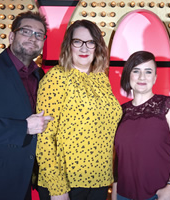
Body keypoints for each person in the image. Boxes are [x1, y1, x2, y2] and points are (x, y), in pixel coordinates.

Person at [36, 19, 122, 200]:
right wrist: (57, 188)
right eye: (78, 42)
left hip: (99, 180)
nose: (84, 48)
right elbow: (44, 138)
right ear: (69, 45)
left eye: (90, 42)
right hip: (67, 184)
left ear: (97, 47)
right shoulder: (57, 77)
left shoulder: (101, 79)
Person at [0, 11, 53, 200]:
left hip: (24, 180)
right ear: (11, 36)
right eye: (26, 31)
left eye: (39, 34)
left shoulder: (41, 76)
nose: (33, 38)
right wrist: (25, 127)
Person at [112, 51, 170, 200]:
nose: (142, 77)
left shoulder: (168, 106)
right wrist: (115, 194)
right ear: (129, 75)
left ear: (155, 78)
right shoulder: (120, 111)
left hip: (159, 194)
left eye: (148, 72)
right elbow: (118, 159)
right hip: (124, 195)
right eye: (136, 71)